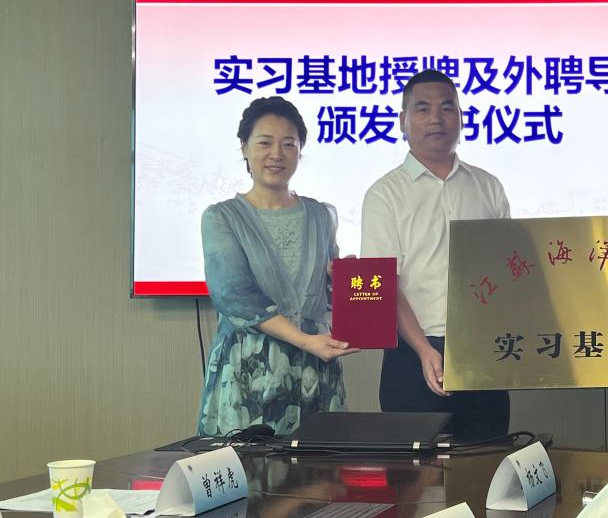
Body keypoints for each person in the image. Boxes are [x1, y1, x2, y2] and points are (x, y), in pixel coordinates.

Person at [361, 69, 511, 440]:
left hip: (482, 352)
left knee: (485, 461)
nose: (436, 118)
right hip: (412, 354)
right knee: (417, 470)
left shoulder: (487, 186)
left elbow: (508, 269)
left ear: (460, 117)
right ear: (403, 120)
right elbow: (385, 286)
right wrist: (425, 350)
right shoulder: (385, 194)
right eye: (423, 108)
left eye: (447, 108)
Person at [198, 96, 358, 436]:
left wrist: (343, 281)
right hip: (249, 371)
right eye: (264, 143)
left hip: (314, 370)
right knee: (245, 467)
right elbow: (235, 295)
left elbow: (325, 300)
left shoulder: (321, 215)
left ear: (300, 150)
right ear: (244, 147)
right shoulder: (221, 217)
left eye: (289, 144)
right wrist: (303, 340)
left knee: (319, 466)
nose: (277, 154)